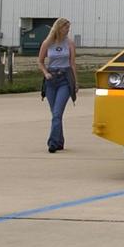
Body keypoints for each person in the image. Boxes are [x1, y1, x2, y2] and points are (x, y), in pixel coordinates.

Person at [38, 18, 78, 152]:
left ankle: (53, 143)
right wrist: (45, 73)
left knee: (57, 113)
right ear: (59, 28)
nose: (68, 30)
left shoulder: (70, 43)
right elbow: (40, 61)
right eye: (66, 28)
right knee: (55, 114)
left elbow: (72, 63)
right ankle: (60, 141)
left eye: (68, 28)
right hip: (51, 79)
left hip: (65, 79)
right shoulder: (47, 43)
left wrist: (75, 82)